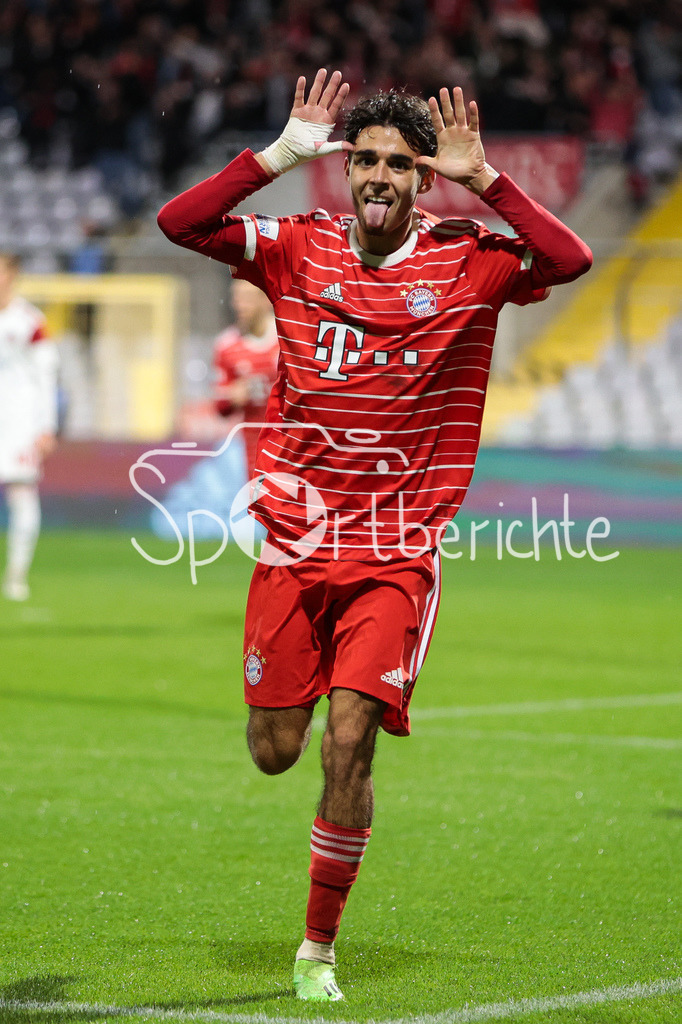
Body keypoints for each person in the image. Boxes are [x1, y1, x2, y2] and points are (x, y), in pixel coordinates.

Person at [158, 69, 592, 1001]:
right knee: (276, 748)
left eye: (399, 163)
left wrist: (487, 180)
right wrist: (276, 156)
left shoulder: (469, 260)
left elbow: (570, 260)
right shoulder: (297, 247)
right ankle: (297, 703)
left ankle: (317, 950)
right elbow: (179, 224)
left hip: (396, 553)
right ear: (346, 169)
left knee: (347, 741)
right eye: (365, 160)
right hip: (292, 545)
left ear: (422, 178)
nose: (379, 176)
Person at [0, 252, 58, 601]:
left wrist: (47, 426)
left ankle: (16, 576)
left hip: (19, 422)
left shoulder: (29, 321)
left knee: (22, 495)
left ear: (13, 275)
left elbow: (45, 376)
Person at [213, 278, 279, 479]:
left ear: (265, 300)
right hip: (254, 447)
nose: (240, 305)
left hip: (293, 440)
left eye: (247, 298)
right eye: (237, 298)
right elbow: (220, 405)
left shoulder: (287, 338)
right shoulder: (227, 345)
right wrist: (232, 396)